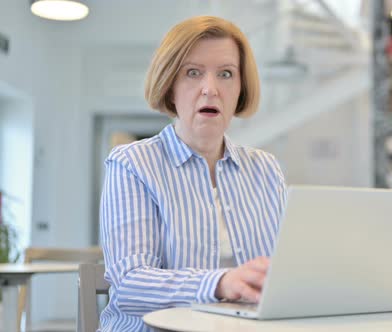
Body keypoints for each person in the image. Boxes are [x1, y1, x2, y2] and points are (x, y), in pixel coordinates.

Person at [99, 16, 287, 331]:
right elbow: (130, 283)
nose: (210, 89)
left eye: (226, 74)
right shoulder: (131, 163)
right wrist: (221, 282)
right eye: (192, 73)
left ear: (240, 89)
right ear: (169, 86)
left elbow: (284, 272)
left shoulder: (266, 169)